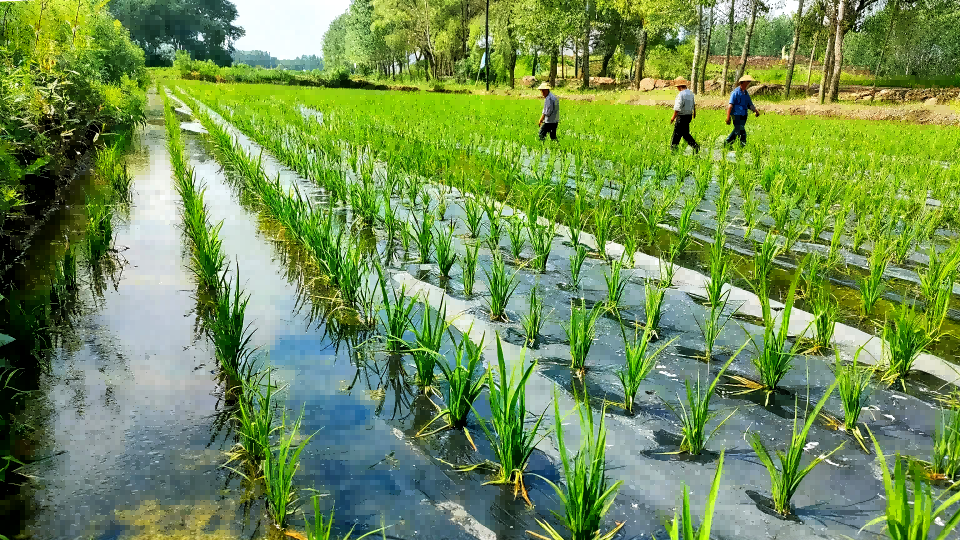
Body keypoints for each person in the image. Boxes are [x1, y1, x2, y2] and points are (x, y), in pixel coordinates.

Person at [725, 75, 761, 147]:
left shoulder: (745, 93)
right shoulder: (735, 92)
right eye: (748, 81)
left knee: (738, 131)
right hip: (736, 115)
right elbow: (730, 106)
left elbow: (749, 104)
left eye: (749, 82)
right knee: (741, 131)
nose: (749, 83)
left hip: (744, 115)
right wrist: (728, 117)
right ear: (742, 82)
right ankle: (730, 143)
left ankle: (729, 145)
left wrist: (755, 111)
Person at [669, 78, 700, 153]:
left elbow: (677, 108)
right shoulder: (691, 93)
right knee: (685, 134)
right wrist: (694, 113)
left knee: (676, 134)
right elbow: (693, 103)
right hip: (688, 116)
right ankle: (695, 146)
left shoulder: (680, 94)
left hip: (681, 117)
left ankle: (673, 149)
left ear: (679, 86)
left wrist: (673, 118)